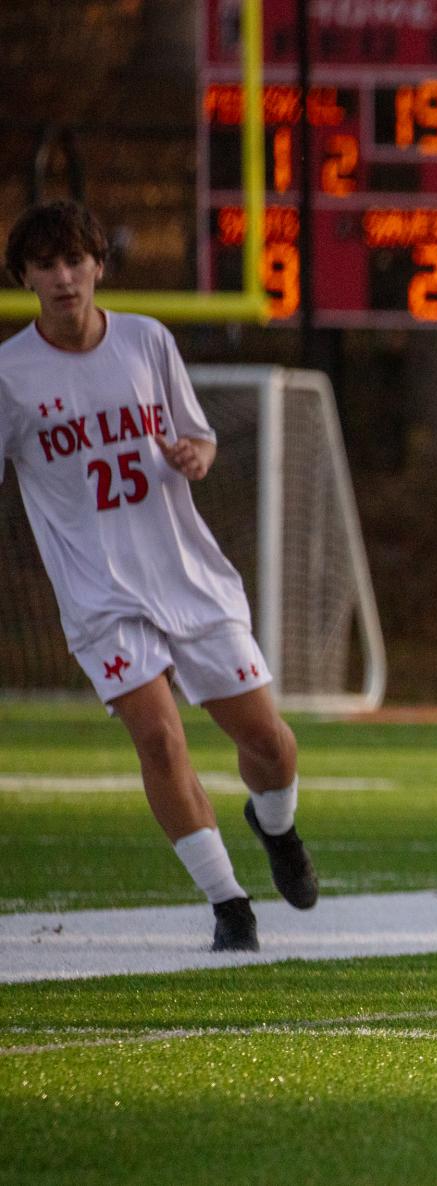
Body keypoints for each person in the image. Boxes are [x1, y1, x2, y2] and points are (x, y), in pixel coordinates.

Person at [0, 199, 318, 952]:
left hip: (187, 578)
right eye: (45, 265)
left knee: (269, 744)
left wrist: (195, 456)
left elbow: (197, 438)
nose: (64, 277)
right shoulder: (10, 374)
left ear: (99, 266)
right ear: (25, 279)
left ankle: (274, 825)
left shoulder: (146, 341)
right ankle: (229, 903)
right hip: (99, 595)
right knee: (160, 742)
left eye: (76, 260)